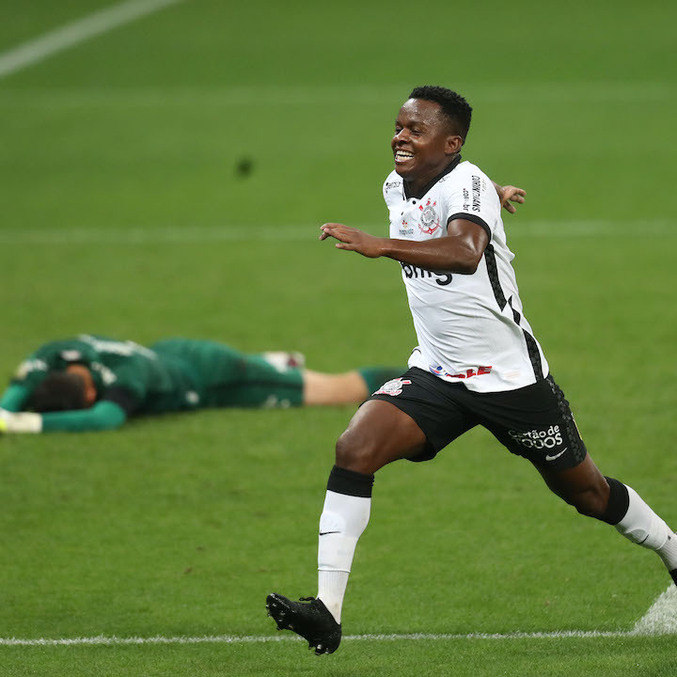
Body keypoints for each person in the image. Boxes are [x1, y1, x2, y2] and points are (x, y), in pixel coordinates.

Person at [265, 85, 677, 655]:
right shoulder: (398, 184)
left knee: (589, 494)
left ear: (451, 143)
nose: (400, 137)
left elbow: (464, 252)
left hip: (510, 381)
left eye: (415, 130)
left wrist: (382, 244)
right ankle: (326, 612)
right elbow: (453, 206)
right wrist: (490, 197)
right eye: (399, 126)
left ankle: (673, 550)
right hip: (438, 372)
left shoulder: (468, 181)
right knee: (354, 449)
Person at [0, 334, 405, 433]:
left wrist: (25, 423)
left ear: (89, 394)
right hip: (176, 353)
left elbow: (105, 418)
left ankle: (422, 375)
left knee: (336, 391)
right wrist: (5, 413)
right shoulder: (55, 354)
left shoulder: (127, 378)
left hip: (214, 376)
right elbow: (19, 390)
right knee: (293, 376)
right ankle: (273, 363)